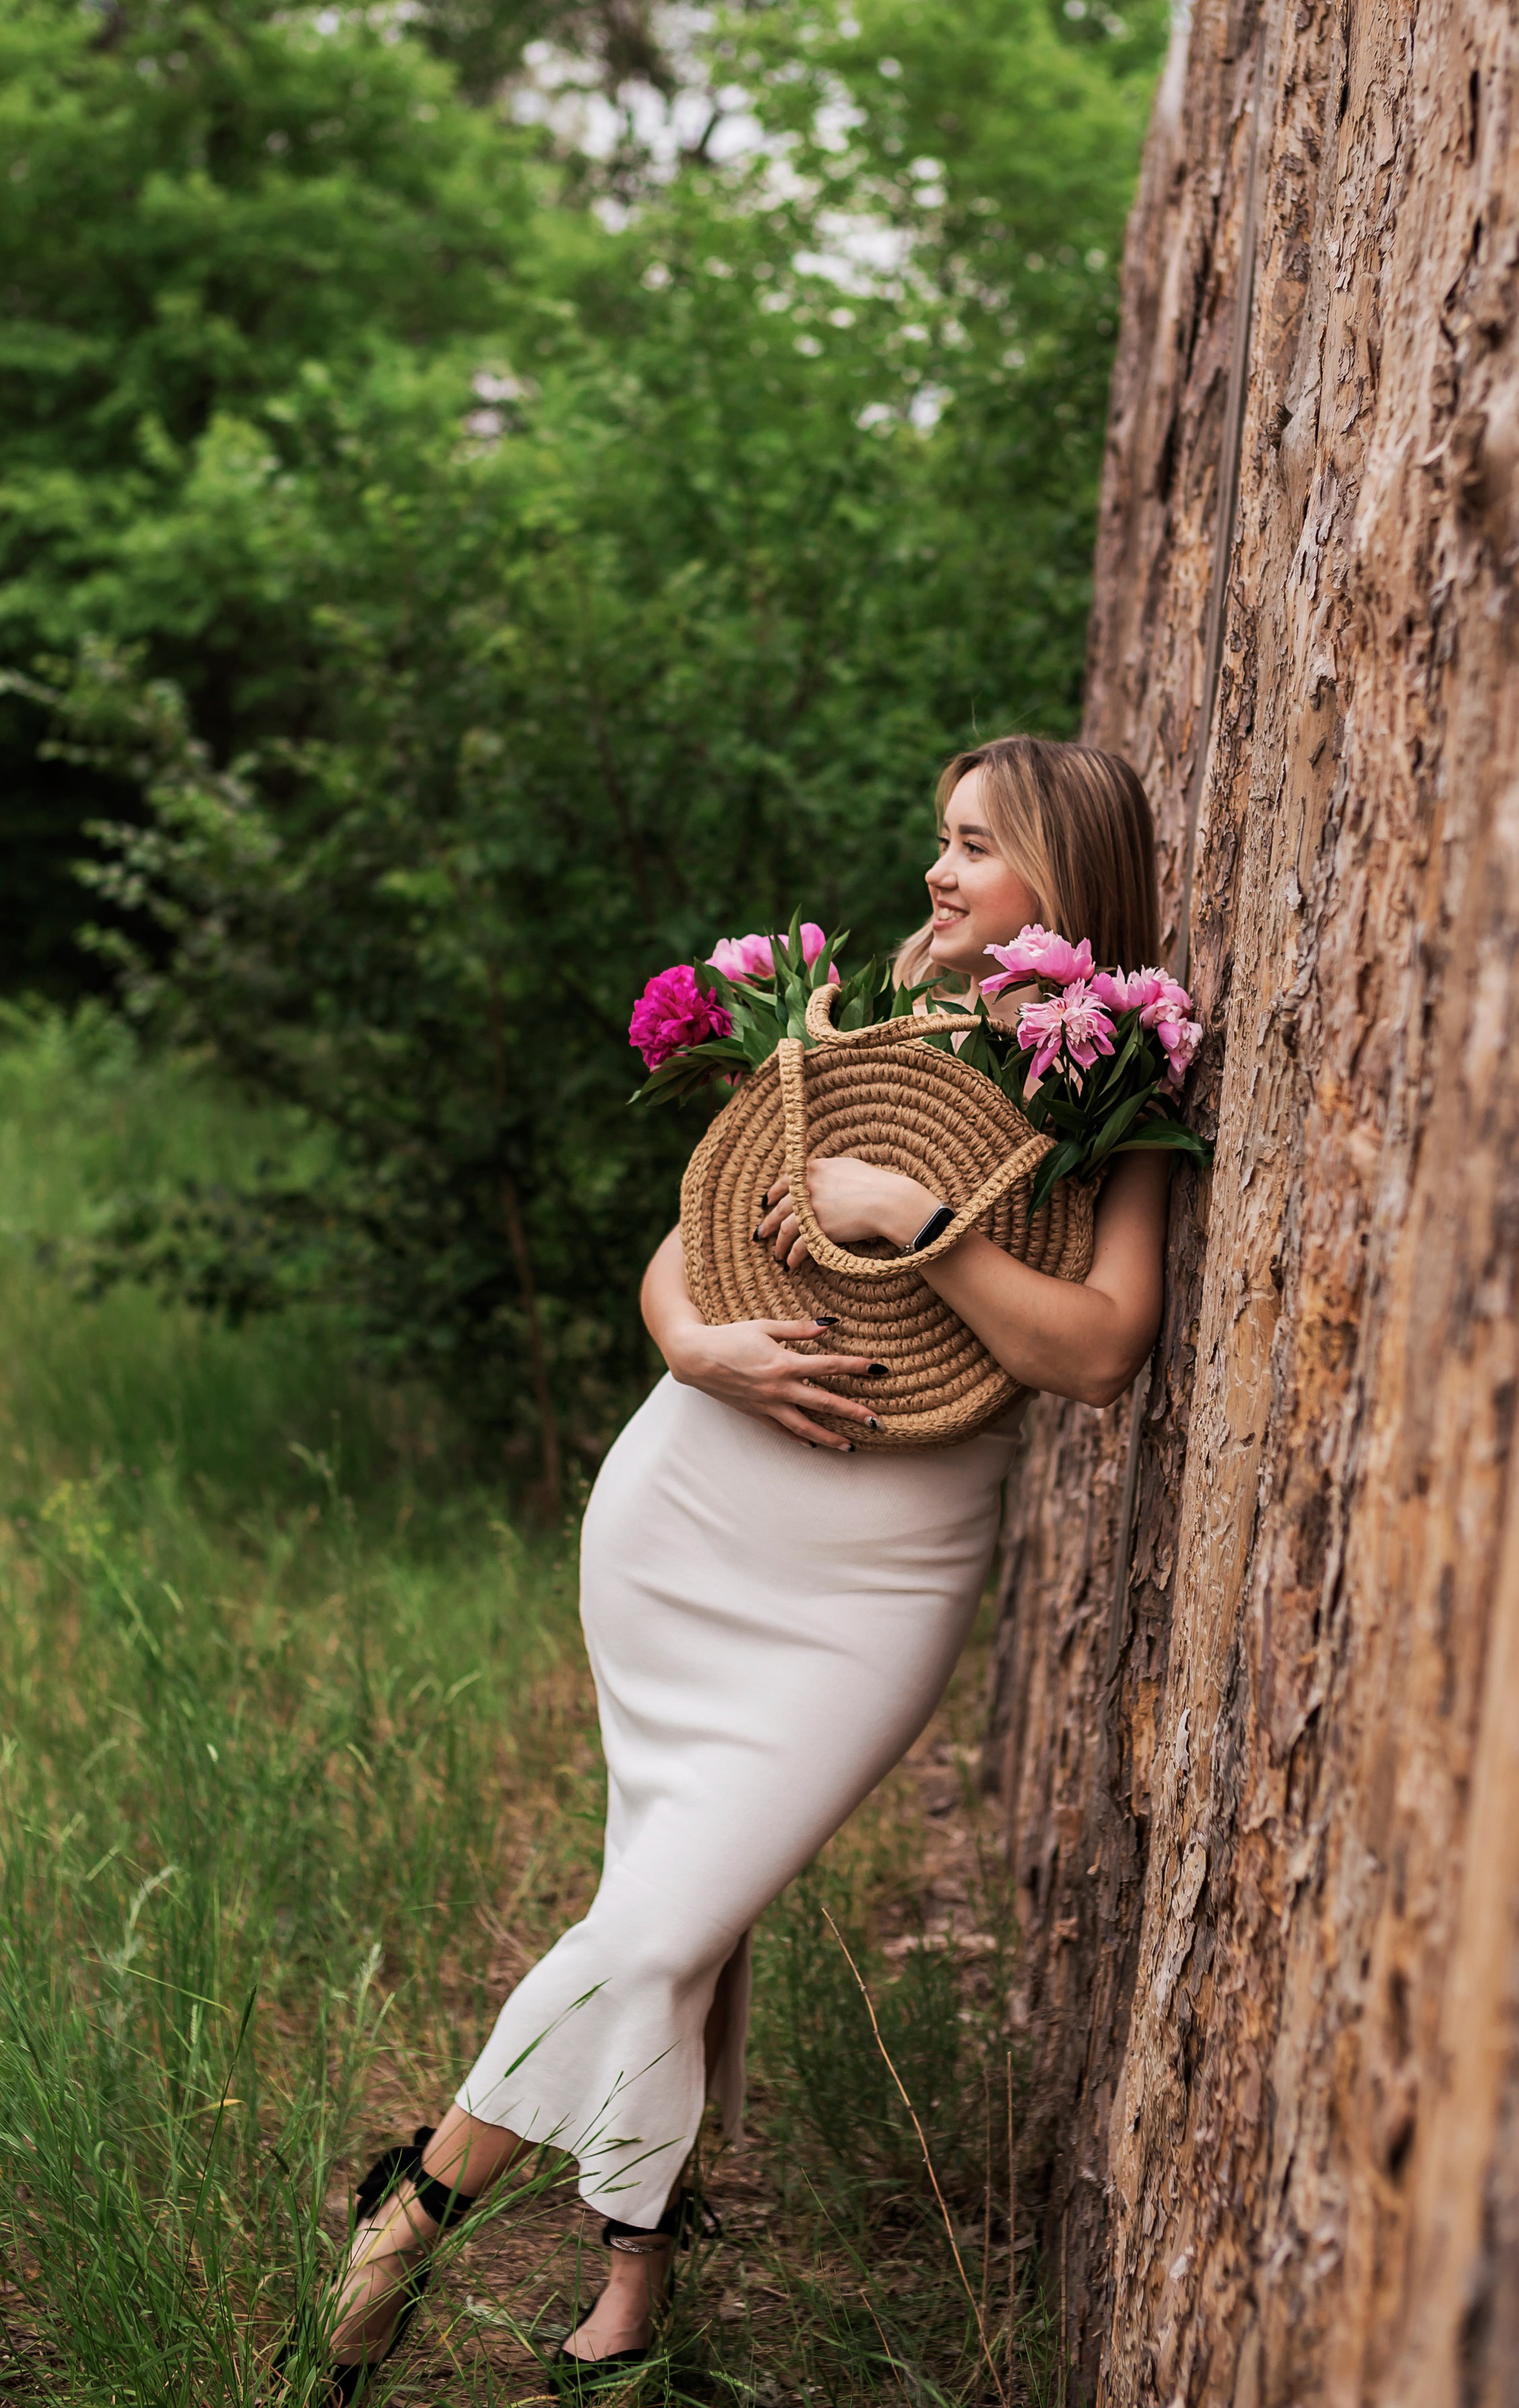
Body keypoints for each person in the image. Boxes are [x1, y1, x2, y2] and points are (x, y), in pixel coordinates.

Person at [312, 735, 1178, 2401]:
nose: (936, 871)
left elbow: (1098, 1349)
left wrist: (914, 1215)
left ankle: (412, 2208)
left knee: (664, 1918)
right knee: (671, 1907)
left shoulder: (1116, 1084)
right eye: (938, 837)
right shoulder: (863, 1024)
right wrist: (699, 1355)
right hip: (690, 1505)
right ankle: (632, 2292)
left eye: (975, 844)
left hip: (880, 1572)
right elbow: (679, 1254)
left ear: (1064, 878)